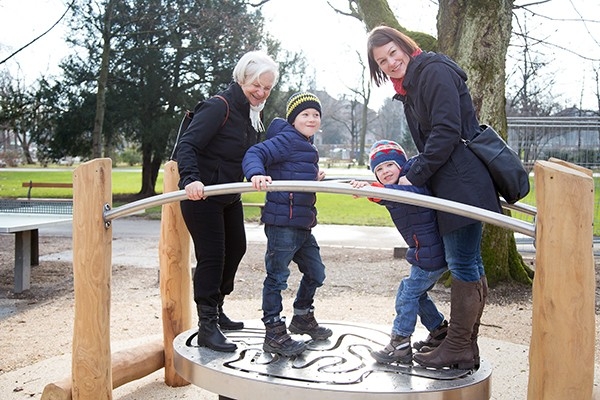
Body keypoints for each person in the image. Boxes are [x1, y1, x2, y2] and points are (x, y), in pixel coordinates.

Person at [366, 26, 502, 370]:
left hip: (461, 182)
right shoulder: (411, 87)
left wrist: (414, 174)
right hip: (452, 180)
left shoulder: (433, 72)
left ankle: (458, 346)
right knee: (468, 261)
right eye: (382, 61)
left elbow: (446, 132)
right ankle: (462, 346)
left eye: (394, 53)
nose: (391, 63)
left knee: (462, 263)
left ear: (406, 47)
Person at [176, 50, 279, 352]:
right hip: (203, 195)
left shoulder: (250, 114)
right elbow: (188, 145)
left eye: (266, 88)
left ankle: (218, 308)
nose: (260, 93)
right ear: (242, 79)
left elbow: (247, 155)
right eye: (255, 86)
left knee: (237, 248)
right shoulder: (218, 106)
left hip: (228, 194)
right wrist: (190, 179)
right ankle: (207, 325)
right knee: (213, 256)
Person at [242, 92, 332, 357]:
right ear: (293, 119)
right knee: (277, 278)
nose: (311, 118)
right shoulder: (287, 140)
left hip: (303, 224)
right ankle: (273, 331)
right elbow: (255, 152)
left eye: (315, 114)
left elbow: (292, 170)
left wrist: (313, 177)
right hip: (283, 223)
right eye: (305, 114)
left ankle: (302, 316)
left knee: (316, 273)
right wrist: (256, 172)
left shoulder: (307, 144)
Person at [350, 140, 448, 364]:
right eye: (379, 170)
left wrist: (374, 191)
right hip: (427, 252)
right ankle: (439, 331)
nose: (385, 172)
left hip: (430, 254)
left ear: (401, 165)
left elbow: (401, 194)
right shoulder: (396, 186)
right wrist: (366, 189)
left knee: (407, 292)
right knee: (417, 293)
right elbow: (389, 197)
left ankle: (400, 342)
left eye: (389, 166)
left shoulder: (411, 182)